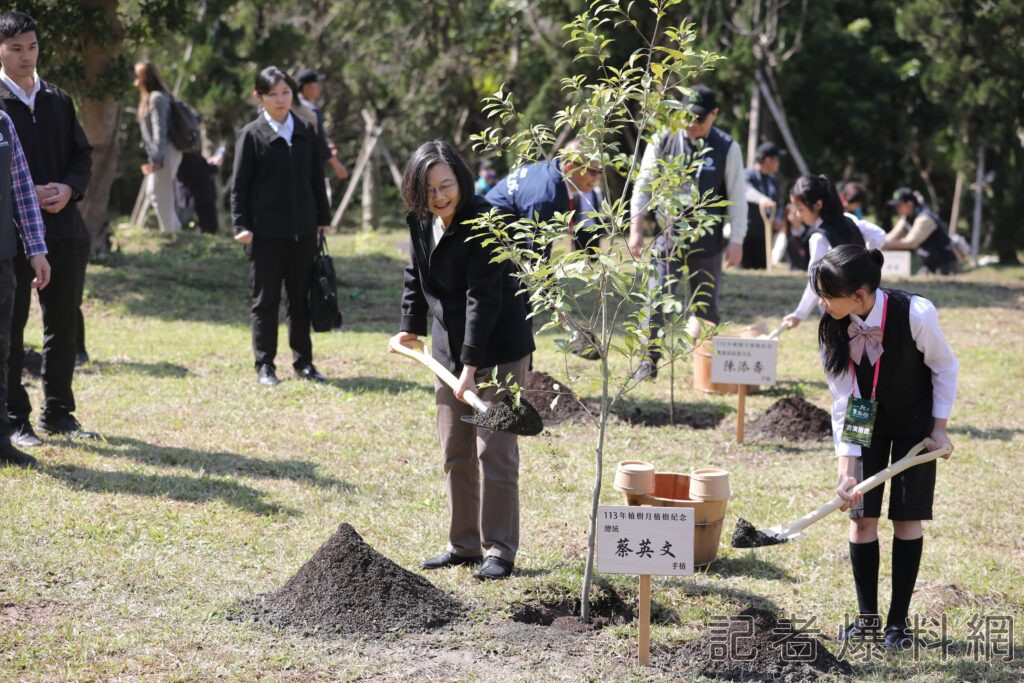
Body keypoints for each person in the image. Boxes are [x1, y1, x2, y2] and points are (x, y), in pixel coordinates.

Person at [390, 140, 534, 581]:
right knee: (455, 449)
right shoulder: (419, 220)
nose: (440, 197)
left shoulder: (485, 222)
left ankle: (500, 551)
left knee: (494, 451)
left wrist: (471, 369)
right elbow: (416, 275)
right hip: (447, 351)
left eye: (446, 185)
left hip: (500, 348)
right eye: (430, 189)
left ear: (461, 180)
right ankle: (464, 545)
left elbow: (482, 299)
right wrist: (409, 326)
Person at [810, 245, 956, 650]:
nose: (820, 302)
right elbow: (844, 399)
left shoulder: (916, 313)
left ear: (859, 294)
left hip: (915, 421)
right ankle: (867, 620)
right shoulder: (832, 326)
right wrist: (846, 469)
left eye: (826, 294)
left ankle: (898, 624)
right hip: (863, 415)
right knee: (861, 517)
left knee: (907, 519)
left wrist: (939, 430)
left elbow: (945, 366)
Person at [0, 11, 96, 444]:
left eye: (32, 46)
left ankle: (58, 412)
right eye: (16, 48)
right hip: (13, 234)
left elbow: (83, 156)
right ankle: (14, 418)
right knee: (12, 327)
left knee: (63, 325)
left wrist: (69, 188)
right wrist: (28, 194)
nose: (26, 56)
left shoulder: (58, 98)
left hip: (64, 229)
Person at [628, 84, 747, 380]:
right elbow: (643, 185)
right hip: (666, 237)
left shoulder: (727, 147)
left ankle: (706, 366)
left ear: (714, 115)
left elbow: (738, 195)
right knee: (655, 299)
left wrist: (737, 240)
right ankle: (648, 360)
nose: (692, 124)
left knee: (706, 304)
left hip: (708, 241)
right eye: (687, 117)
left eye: (700, 119)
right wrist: (636, 229)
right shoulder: (662, 140)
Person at [231, 66, 331, 387]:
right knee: (266, 301)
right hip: (265, 234)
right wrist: (241, 225)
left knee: (300, 299)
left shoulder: (305, 130)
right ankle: (265, 365)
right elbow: (239, 187)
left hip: (303, 231)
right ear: (258, 97)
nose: (280, 99)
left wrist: (322, 219)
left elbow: (317, 178)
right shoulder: (251, 135)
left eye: (285, 92)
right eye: (272, 94)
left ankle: (303, 363)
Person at [0, 106, 50, 467]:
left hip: (2, 258)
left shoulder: (2, 122)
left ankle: (0, 440)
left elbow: (21, 188)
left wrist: (36, 249)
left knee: (1, 349)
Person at [782, 174, 886, 330]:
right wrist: (865, 261)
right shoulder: (849, 219)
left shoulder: (819, 238)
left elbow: (814, 281)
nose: (798, 214)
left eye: (801, 209)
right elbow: (879, 235)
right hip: (862, 302)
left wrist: (799, 314)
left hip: (835, 308)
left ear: (817, 204)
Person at [485, 138, 604, 260]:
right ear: (570, 168)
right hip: (490, 223)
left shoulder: (553, 172)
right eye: (593, 171)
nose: (598, 177)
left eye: (600, 170)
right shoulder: (548, 197)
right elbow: (537, 253)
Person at [134, 61, 181, 232]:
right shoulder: (156, 97)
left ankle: (170, 235)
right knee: (153, 192)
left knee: (162, 196)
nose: (136, 82)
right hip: (164, 152)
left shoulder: (156, 98)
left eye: (138, 77)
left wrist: (157, 160)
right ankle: (174, 230)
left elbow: (159, 132)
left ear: (145, 78)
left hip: (166, 152)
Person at [883, 187, 958, 275]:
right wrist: (874, 243)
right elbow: (892, 236)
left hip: (944, 263)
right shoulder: (907, 218)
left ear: (909, 204)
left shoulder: (925, 218)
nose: (896, 209)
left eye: (899, 205)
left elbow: (911, 242)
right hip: (929, 262)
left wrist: (884, 244)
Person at [294, 68, 349, 184]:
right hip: (311, 168)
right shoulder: (311, 110)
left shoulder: (290, 106)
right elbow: (319, 141)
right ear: (306, 87)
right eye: (316, 84)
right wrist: (337, 166)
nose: (319, 87)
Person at [742, 141, 786, 269]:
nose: (778, 163)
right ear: (767, 160)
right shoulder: (748, 175)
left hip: (765, 234)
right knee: (745, 270)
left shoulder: (772, 180)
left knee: (761, 268)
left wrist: (778, 216)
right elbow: (745, 190)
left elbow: (777, 201)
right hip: (747, 234)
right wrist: (761, 199)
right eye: (776, 160)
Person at [175, 119, 222, 234]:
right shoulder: (184, 150)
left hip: (203, 196)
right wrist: (214, 166)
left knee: (211, 228)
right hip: (194, 198)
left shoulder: (192, 149)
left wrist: (210, 163)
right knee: (202, 229)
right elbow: (194, 171)